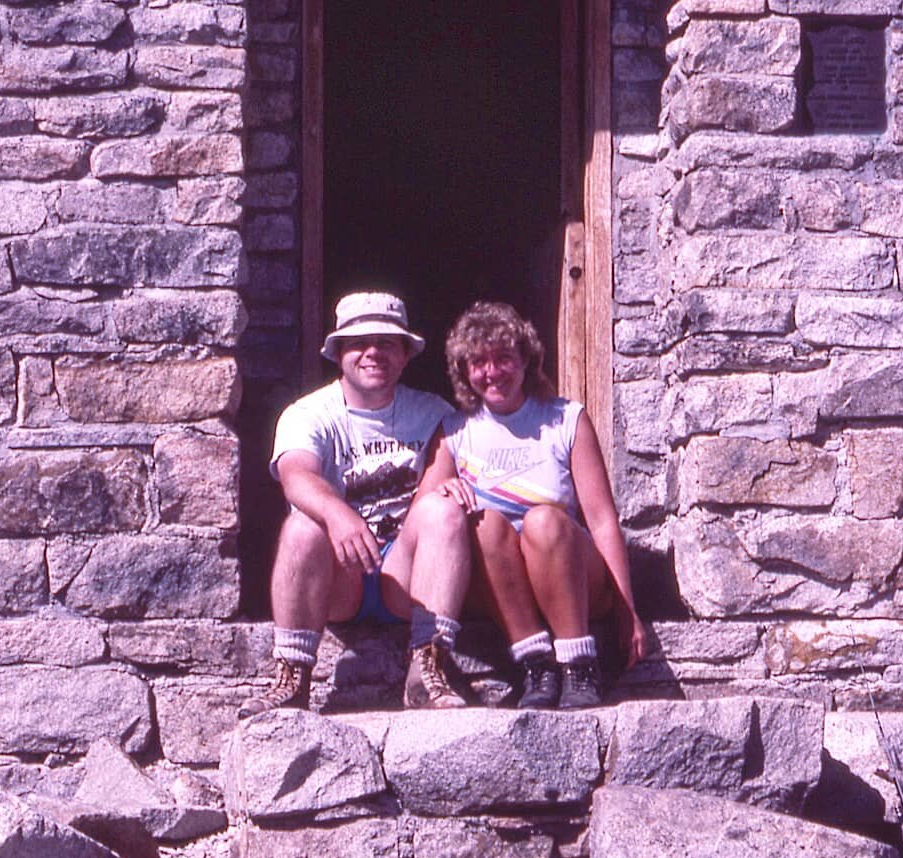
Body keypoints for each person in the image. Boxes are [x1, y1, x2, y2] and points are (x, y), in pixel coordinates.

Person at [417, 300, 646, 709]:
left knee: (544, 520)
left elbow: (602, 520)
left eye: (503, 358)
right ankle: (535, 663)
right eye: (479, 362)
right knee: (484, 524)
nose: (492, 372)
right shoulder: (454, 430)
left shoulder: (565, 419)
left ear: (526, 359)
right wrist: (445, 487)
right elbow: (423, 517)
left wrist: (627, 608)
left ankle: (578, 665)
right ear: (464, 371)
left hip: (571, 572)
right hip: (501, 582)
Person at [256, 291, 476, 717]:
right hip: (340, 576)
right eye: (358, 342)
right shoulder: (307, 413)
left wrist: (449, 487)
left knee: (443, 510)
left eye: (387, 342)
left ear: (405, 354)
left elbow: (443, 481)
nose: (373, 352)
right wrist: (337, 513)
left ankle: (428, 668)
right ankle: (292, 674)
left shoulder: (434, 412)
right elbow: (295, 475)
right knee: (302, 524)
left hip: (406, 574)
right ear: (339, 353)